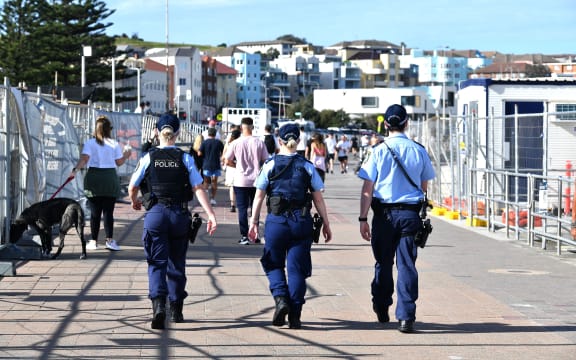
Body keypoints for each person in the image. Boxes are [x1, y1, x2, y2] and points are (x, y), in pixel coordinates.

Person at [127, 113, 217, 330]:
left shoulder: (148, 158)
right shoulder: (185, 158)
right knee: (176, 263)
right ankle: (176, 309)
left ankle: (159, 306)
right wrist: (211, 214)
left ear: (157, 132)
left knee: (157, 262)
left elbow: (132, 186)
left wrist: (134, 202)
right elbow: (198, 188)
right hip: (179, 215)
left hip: (156, 214)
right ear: (177, 134)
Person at [357, 104, 435, 334]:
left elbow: (367, 188)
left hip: (384, 216)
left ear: (386, 125)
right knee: (407, 265)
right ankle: (406, 316)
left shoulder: (378, 151)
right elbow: (424, 187)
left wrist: (363, 218)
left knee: (383, 263)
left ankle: (381, 305)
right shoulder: (418, 150)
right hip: (410, 215)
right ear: (406, 123)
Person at [248, 124, 332, 329]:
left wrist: (253, 222)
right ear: (299, 140)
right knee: (297, 270)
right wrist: (326, 224)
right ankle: (295, 315)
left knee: (272, 263)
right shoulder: (307, 166)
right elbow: (318, 199)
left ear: (280, 141)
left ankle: (280, 298)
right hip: (301, 222)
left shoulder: (270, 165)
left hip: (276, 222)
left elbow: (259, 196)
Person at [69, 115, 131, 251]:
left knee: (94, 213)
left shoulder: (90, 143)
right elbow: (119, 162)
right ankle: (110, 240)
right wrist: (127, 154)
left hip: (94, 178)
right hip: (109, 178)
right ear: (109, 129)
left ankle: (93, 241)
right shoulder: (114, 143)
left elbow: (84, 159)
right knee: (108, 212)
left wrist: (75, 170)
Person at [224, 117, 269, 245]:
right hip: (256, 180)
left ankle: (244, 236)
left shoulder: (235, 143)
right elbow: (266, 161)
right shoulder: (259, 142)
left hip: (240, 180)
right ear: (252, 127)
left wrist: (236, 166)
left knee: (242, 209)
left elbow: (227, 160)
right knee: (256, 207)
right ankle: (254, 234)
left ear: (241, 128)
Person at [198, 127, 224, 205]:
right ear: (215, 134)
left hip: (206, 164)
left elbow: (199, 153)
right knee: (214, 182)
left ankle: (205, 199)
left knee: (206, 182)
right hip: (216, 164)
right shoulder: (219, 142)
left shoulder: (204, 143)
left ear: (208, 134)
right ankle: (212, 198)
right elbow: (223, 152)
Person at [222, 129, 241, 212]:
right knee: (240, 186)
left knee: (232, 187)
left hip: (230, 167)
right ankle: (240, 203)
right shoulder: (241, 143)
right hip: (240, 167)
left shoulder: (229, 143)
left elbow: (223, 156)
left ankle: (232, 205)